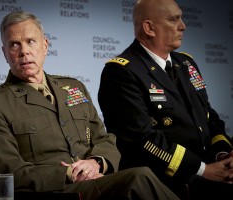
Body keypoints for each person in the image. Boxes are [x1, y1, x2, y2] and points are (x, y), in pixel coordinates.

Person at [0, 10, 179, 200]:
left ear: (45, 45)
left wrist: (96, 162)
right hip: (53, 191)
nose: (24, 51)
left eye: (30, 41)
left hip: (96, 182)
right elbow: (5, 173)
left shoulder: (73, 87)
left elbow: (105, 139)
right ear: (4, 53)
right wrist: (70, 173)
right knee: (138, 177)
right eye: (14, 44)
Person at [98, 0, 233, 199]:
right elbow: (141, 141)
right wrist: (204, 170)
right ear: (149, 28)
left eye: (181, 17)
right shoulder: (121, 72)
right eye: (173, 19)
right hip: (168, 180)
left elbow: (208, 118)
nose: (183, 25)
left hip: (209, 169)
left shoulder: (185, 63)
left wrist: (223, 156)